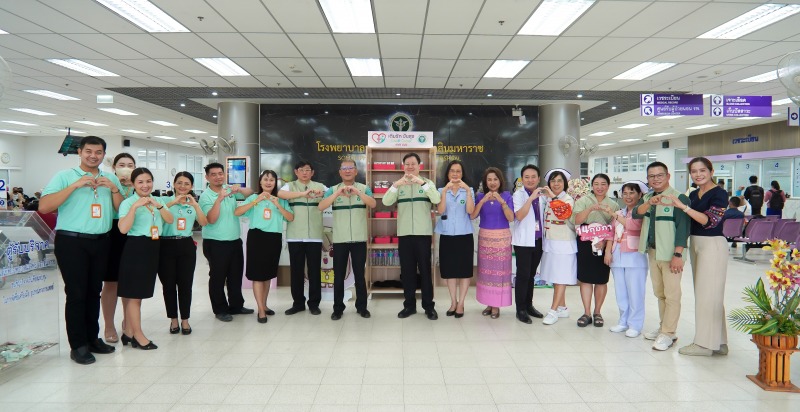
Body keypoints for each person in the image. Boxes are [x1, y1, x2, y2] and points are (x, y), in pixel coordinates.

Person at [40, 136, 123, 364]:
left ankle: (92, 338)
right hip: (72, 242)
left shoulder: (110, 177)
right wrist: (75, 185)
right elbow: (45, 205)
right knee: (76, 293)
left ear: (104, 154)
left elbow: (119, 210)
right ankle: (78, 345)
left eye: (98, 152)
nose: (93, 156)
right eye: (88, 151)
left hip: (102, 241)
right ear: (80, 152)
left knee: (93, 291)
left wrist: (115, 189)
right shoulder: (65, 176)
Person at [664, 157, 729, 356]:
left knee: (707, 295)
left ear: (711, 171)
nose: (698, 174)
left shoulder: (719, 193)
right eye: (694, 171)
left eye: (702, 170)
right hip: (697, 243)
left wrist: (683, 207)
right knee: (709, 294)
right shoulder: (694, 193)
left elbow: (709, 221)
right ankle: (719, 342)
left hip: (712, 244)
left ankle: (704, 345)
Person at [634, 161, 691, 351]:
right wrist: (649, 202)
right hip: (653, 252)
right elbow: (636, 214)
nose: (655, 179)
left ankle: (669, 333)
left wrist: (678, 254)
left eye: (659, 175)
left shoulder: (679, 197)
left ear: (668, 176)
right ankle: (663, 328)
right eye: (651, 176)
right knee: (660, 293)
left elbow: (683, 228)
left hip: (671, 255)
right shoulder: (648, 197)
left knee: (672, 295)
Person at [117, 167, 173, 350]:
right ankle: (138, 336)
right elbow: (123, 229)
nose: (145, 185)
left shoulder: (158, 201)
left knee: (140, 294)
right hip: (136, 248)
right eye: (140, 182)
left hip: (153, 247)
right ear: (133, 184)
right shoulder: (128, 203)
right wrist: (135, 207)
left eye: (148, 181)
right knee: (134, 296)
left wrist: (158, 206)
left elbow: (170, 219)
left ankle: (128, 333)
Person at [382, 152, 441, 320]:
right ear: (403, 166)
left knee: (425, 271)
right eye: (407, 164)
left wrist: (422, 183)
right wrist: (395, 185)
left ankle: (429, 307)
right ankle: (409, 306)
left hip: (422, 234)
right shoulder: (399, 185)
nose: (410, 166)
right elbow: (386, 202)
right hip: (404, 234)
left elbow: (436, 199)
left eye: (413, 163)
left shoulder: (427, 183)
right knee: (407, 272)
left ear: (419, 166)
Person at [317, 159, 376, 320]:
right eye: (344, 168)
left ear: (356, 171)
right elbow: (321, 206)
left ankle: (362, 307)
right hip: (340, 240)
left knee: (359, 275)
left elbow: (373, 203)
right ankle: (338, 308)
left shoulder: (364, 188)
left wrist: (358, 193)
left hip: (359, 239)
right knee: (338, 275)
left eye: (351, 168)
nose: (348, 171)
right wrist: (337, 193)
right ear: (340, 172)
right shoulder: (333, 189)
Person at [236, 170, 294, 323]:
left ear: (275, 183)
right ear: (260, 182)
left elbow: (290, 217)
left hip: (274, 238)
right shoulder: (254, 197)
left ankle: (265, 305)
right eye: (266, 179)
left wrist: (277, 205)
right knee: (257, 274)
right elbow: (238, 212)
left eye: (272, 180)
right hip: (257, 238)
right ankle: (260, 309)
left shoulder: (280, 199)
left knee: (267, 274)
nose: (269, 182)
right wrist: (256, 201)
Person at [199, 162, 255, 322]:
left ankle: (236, 305)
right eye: (214, 174)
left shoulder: (229, 189)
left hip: (234, 241)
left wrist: (239, 189)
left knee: (235, 275)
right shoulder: (206, 196)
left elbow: (249, 194)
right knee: (217, 277)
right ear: (207, 177)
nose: (218, 177)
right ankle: (220, 309)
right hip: (215, 243)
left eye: (220, 173)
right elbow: (211, 219)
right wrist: (220, 198)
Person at [158, 172, 207, 335]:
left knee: (185, 284)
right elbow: (157, 215)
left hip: (186, 244)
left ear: (192, 186)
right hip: (165, 244)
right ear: (174, 184)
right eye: (179, 183)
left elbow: (203, 222)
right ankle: (173, 320)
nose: (182, 186)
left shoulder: (192, 204)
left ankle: (185, 320)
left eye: (187, 184)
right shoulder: (164, 201)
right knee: (169, 285)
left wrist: (195, 205)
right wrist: (174, 202)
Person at [278, 161, 328, 316]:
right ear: (296, 172)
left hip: (314, 236)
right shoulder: (290, 186)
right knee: (297, 272)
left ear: (312, 172)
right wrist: (302, 194)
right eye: (302, 170)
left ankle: (314, 304)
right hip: (295, 236)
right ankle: (298, 303)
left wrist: (323, 194)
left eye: (308, 170)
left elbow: (332, 194)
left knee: (314, 272)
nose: (305, 172)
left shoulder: (320, 186)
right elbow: (280, 194)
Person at [572, 174, 619, 328]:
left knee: (601, 279)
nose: (600, 187)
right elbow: (577, 220)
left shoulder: (613, 205)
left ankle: (597, 311)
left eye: (603, 184)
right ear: (592, 186)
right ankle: (586, 312)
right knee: (585, 279)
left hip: (604, 244)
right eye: (596, 184)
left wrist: (606, 244)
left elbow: (615, 227)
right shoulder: (583, 201)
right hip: (585, 242)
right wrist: (591, 208)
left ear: (608, 185)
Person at [604, 181, 648, 338]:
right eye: (625, 193)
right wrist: (608, 252)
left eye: (632, 193)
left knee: (635, 292)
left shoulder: (641, 212)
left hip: (635, 257)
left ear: (640, 194)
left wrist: (614, 214)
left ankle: (635, 324)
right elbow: (611, 233)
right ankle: (623, 321)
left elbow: (633, 226)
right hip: (617, 256)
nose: (628, 196)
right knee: (621, 292)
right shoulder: (620, 212)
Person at [101, 152, 136, 344]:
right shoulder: (107, 184)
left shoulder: (138, 185)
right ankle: (108, 325)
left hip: (133, 235)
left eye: (130, 164)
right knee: (111, 282)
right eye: (122, 164)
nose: (126, 167)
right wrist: (118, 187)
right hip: (113, 235)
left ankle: (128, 320)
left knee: (129, 282)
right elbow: (118, 208)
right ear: (114, 167)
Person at [471, 167, 514, 319]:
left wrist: (502, 202)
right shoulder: (480, 196)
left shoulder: (507, 196)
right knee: (486, 273)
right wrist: (482, 200)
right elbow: (473, 215)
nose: (492, 182)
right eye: (489, 179)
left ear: (500, 181)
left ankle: (496, 306)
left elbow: (511, 218)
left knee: (499, 274)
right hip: (485, 238)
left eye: (495, 179)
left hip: (501, 239)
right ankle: (489, 303)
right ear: (485, 182)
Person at [435, 160, 475, 319]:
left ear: (462, 173)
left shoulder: (469, 190)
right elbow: (440, 210)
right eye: (452, 171)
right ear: (448, 173)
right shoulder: (440, 190)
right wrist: (444, 192)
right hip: (447, 235)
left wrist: (467, 191)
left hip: (464, 235)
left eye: (458, 171)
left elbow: (471, 212)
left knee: (464, 272)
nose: (455, 174)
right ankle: (453, 302)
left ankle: (461, 303)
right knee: (450, 272)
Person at [539, 169, 577, 326]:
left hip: (564, 244)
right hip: (550, 243)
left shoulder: (568, 199)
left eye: (559, 181)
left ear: (565, 183)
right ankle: (562, 307)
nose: (556, 184)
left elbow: (563, 213)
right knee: (555, 277)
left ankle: (553, 310)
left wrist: (553, 197)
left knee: (561, 277)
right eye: (553, 181)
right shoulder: (547, 199)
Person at [511, 165, 546, 324]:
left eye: (533, 177)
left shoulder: (544, 195)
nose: (530, 180)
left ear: (538, 179)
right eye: (527, 177)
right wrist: (531, 198)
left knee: (531, 275)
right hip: (524, 241)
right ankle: (520, 309)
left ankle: (529, 305)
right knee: (523, 275)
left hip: (538, 240)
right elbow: (519, 215)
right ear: (522, 179)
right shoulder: (519, 195)